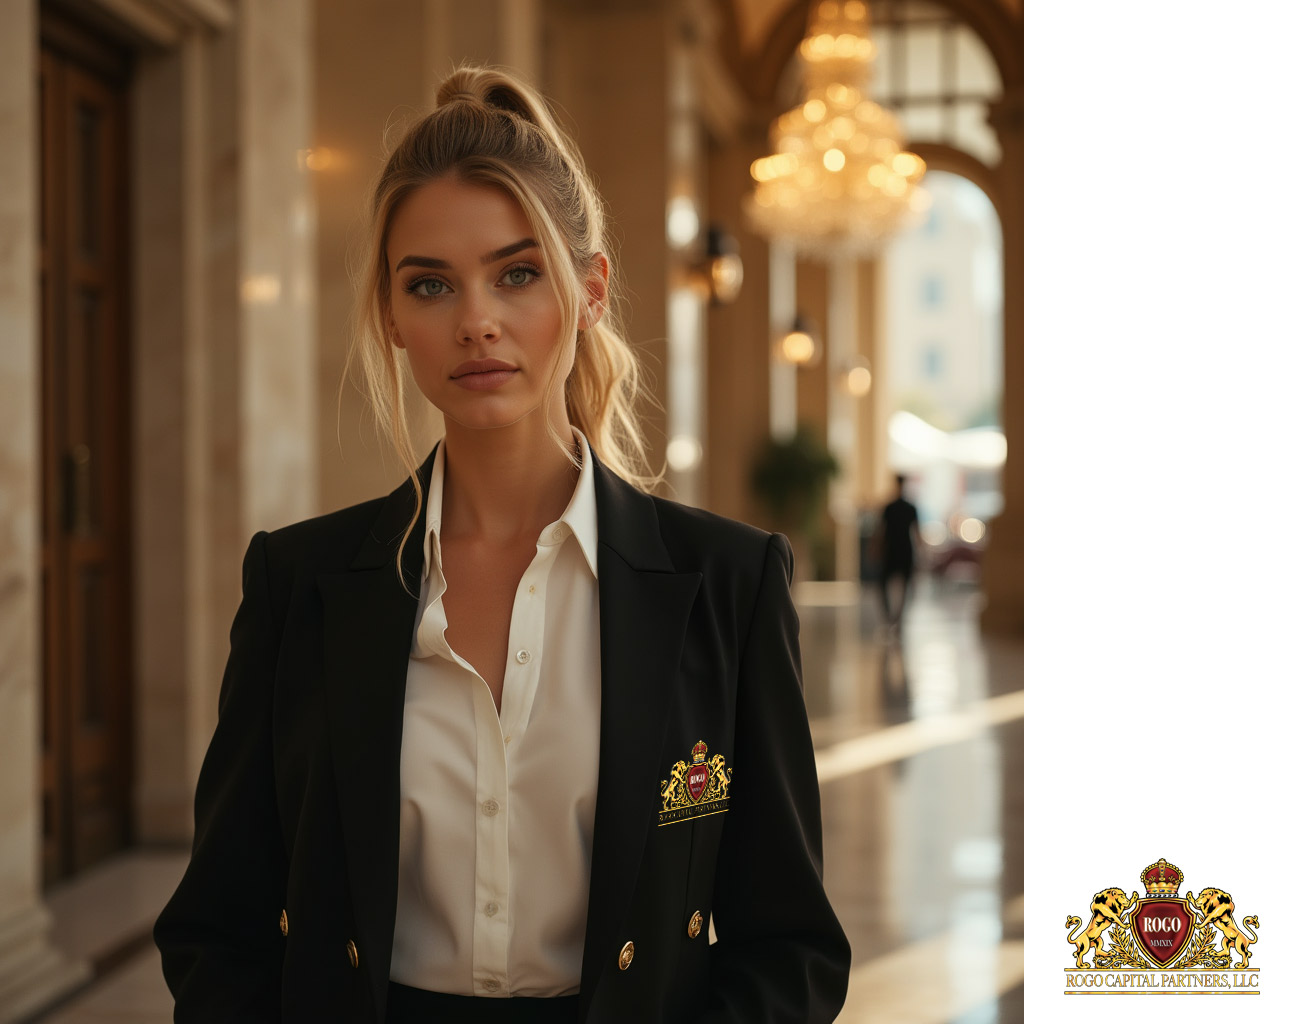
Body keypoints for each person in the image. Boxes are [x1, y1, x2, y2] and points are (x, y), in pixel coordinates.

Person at [154, 65, 849, 1024]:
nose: (475, 320)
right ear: (393, 318)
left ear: (591, 290)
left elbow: (790, 948)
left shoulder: (727, 583)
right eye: (430, 284)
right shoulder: (300, 583)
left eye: (517, 273)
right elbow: (217, 927)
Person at [878, 474, 920, 628]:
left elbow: (881, 532)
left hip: (893, 549)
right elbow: (917, 533)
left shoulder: (890, 508)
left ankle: (892, 615)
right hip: (903, 550)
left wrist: (876, 548)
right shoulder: (909, 508)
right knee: (904, 586)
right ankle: (896, 615)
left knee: (885, 584)